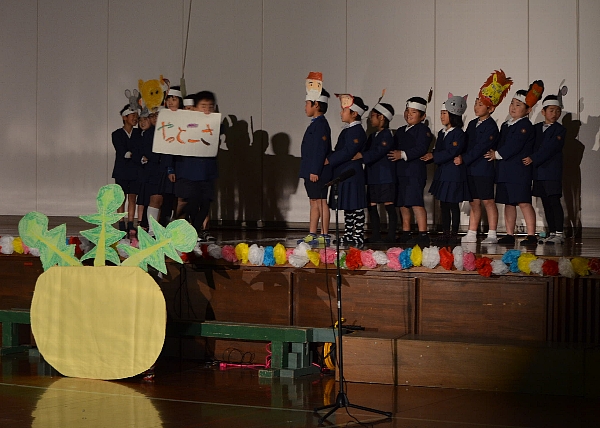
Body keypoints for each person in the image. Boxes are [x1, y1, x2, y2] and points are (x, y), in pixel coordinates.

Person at [485, 80, 544, 246]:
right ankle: (509, 234)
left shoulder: (525, 126)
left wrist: (497, 154)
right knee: (508, 203)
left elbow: (514, 145)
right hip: (505, 170)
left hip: (519, 171)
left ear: (528, 110)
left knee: (523, 202)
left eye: (518, 105)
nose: (513, 107)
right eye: (512, 103)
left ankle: (531, 235)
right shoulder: (506, 125)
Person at [459, 70, 512, 244]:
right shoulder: (472, 124)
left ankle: (492, 233)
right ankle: (472, 232)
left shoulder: (491, 127)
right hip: (470, 169)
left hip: (483, 169)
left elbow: (480, 148)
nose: (476, 107)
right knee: (474, 201)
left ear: (491, 108)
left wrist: (464, 158)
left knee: (488, 201)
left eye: (480, 104)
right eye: (476, 103)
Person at [172, 91, 219, 242]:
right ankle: (184, 231)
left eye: (210, 106)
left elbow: (220, 131)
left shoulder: (215, 124)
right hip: (189, 171)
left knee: (205, 204)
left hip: (207, 172)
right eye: (203, 106)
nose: (207, 109)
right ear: (195, 107)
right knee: (190, 203)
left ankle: (195, 231)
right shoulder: (187, 123)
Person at [423, 94, 470, 246]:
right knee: (443, 204)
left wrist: (434, 155)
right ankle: (445, 233)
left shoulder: (459, 133)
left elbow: (452, 151)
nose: (442, 116)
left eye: (444, 113)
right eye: (441, 113)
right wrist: (431, 155)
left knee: (453, 204)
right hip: (443, 173)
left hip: (453, 174)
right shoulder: (442, 133)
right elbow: (440, 150)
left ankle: (453, 234)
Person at [388, 96, 433, 247]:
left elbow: (421, 148)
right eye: (407, 111)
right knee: (403, 203)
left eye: (414, 112)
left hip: (414, 171)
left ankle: (423, 234)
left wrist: (402, 154)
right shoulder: (401, 130)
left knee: (415, 202)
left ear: (422, 116)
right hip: (400, 171)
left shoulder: (423, 130)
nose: (409, 114)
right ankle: (406, 232)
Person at [523, 92, 567, 245]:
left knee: (554, 201)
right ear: (543, 112)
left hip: (552, 172)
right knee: (545, 202)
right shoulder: (535, 128)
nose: (555, 114)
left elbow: (550, 148)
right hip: (538, 172)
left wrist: (533, 158)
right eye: (551, 110)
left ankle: (559, 233)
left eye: (557, 111)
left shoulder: (560, 130)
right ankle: (552, 232)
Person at [326, 94, 368, 248]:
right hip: (344, 172)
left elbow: (348, 151)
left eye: (344, 110)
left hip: (352, 173)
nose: (341, 113)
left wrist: (330, 159)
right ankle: (349, 233)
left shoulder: (357, 131)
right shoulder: (348, 130)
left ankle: (358, 234)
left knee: (355, 205)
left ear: (354, 113)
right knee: (348, 206)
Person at [353, 102, 397, 243]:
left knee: (388, 204)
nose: (371, 119)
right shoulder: (372, 136)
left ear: (382, 117)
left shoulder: (387, 135)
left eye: (373, 116)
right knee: (372, 205)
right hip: (372, 175)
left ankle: (391, 235)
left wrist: (362, 156)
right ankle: (376, 234)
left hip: (385, 176)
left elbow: (379, 151)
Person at [297, 78, 332, 247]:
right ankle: (312, 233)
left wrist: (315, 170)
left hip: (317, 171)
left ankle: (324, 234)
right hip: (311, 170)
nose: (305, 107)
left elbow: (320, 149)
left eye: (307, 103)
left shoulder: (321, 125)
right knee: (313, 201)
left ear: (316, 104)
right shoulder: (315, 124)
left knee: (321, 201)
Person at [112, 105, 141, 237]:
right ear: (124, 117)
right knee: (121, 198)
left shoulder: (138, 133)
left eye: (136, 116)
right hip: (122, 170)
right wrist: (136, 156)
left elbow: (138, 151)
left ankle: (130, 222)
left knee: (133, 197)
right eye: (132, 115)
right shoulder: (117, 134)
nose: (135, 118)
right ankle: (121, 222)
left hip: (135, 169)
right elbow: (123, 152)